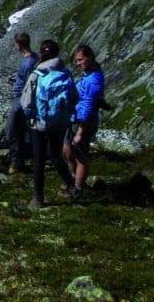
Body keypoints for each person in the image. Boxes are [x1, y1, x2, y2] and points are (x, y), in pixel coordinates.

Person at [20, 39, 75, 208]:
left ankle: (38, 198)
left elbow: (26, 102)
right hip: (60, 123)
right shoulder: (65, 73)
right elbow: (73, 97)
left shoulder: (37, 74)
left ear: (42, 53)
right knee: (56, 155)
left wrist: (30, 116)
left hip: (40, 123)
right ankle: (72, 184)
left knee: (39, 161)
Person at [62, 44, 105, 200]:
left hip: (84, 123)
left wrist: (80, 131)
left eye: (80, 60)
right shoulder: (88, 75)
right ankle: (73, 181)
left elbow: (88, 105)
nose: (78, 63)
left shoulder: (94, 80)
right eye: (76, 60)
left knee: (79, 154)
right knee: (67, 151)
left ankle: (78, 189)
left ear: (90, 57)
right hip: (74, 118)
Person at [5, 32, 38, 174]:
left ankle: (16, 162)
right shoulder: (33, 58)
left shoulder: (29, 62)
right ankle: (20, 160)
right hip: (21, 97)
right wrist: (15, 80)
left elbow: (29, 85)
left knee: (12, 130)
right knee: (20, 130)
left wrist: (21, 104)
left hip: (21, 101)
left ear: (18, 45)